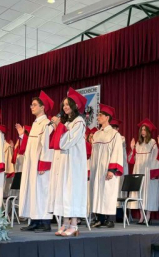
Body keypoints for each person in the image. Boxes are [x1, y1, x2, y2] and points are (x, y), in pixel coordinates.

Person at [48, 88, 88, 237]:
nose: (65, 107)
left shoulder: (79, 122)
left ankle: (74, 224)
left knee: (72, 191)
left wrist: (60, 126)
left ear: (75, 105)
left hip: (74, 163)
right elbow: (55, 143)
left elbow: (67, 142)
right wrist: (58, 126)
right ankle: (65, 223)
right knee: (63, 191)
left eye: (68, 104)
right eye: (63, 104)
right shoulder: (67, 122)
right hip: (64, 162)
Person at [19, 92, 55, 232]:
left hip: (41, 164)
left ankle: (45, 222)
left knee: (42, 191)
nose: (31, 107)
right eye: (31, 105)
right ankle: (35, 220)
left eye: (34, 105)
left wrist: (43, 164)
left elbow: (47, 146)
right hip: (32, 164)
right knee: (33, 191)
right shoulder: (35, 124)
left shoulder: (47, 124)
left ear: (42, 107)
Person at [89, 104, 123, 228]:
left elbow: (117, 152)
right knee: (97, 191)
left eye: (100, 115)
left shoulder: (114, 134)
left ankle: (110, 219)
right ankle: (99, 218)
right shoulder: (96, 134)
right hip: (97, 169)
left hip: (107, 169)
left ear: (107, 117)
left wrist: (112, 170)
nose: (98, 117)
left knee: (108, 192)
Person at [128, 119, 159, 223]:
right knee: (140, 192)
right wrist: (132, 148)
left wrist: (153, 173)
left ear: (148, 131)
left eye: (145, 130)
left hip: (148, 170)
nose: (143, 132)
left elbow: (156, 158)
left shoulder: (152, 142)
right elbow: (132, 160)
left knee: (148, 192)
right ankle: (141, 216)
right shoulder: (138, 143)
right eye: (141, 130)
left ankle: (148, 215)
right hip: (139, 170)